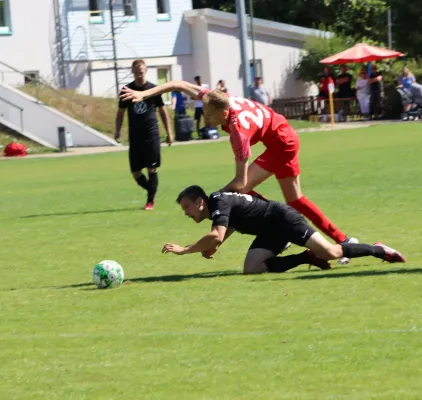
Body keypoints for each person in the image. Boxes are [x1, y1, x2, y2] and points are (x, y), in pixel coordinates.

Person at [119, 79, 358, 264]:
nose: (207, 120)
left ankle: (278, 230)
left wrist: (217, 200)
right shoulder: (217, 99)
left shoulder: (238, 132)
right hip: (284, 133)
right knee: (296, 200)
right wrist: (143, 94)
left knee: (240, 190)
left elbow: (240, 184)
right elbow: (178, 84)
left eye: (210, 116)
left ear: (223, 113)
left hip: (281, 143)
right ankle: (345, 240)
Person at [162, 186, 405, 274]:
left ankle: (378, 250)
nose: (186, 212)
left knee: (331, 252)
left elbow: (217, 234)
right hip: (269, 230)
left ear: (199, 202)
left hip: (282, 219)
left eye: (187, 207)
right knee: (252, 269)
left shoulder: (218, 201)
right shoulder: (217, 205)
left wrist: (185, 250)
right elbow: (227, 228)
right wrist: (214, 246)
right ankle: (304, 257)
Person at [115, 59, 173, 211]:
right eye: (137, 71)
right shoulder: (126, 90)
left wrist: (169, 132)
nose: (140, 74)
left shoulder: (153, 89)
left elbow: (163, 111)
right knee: (135, 172)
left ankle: (150, 201)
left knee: (152, 169)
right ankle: (151, 190)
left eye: (142, 71)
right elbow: (120, 113)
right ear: (133, 72)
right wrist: (117, 131)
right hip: (135, 136)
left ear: (146, 70)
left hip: (151, 134)